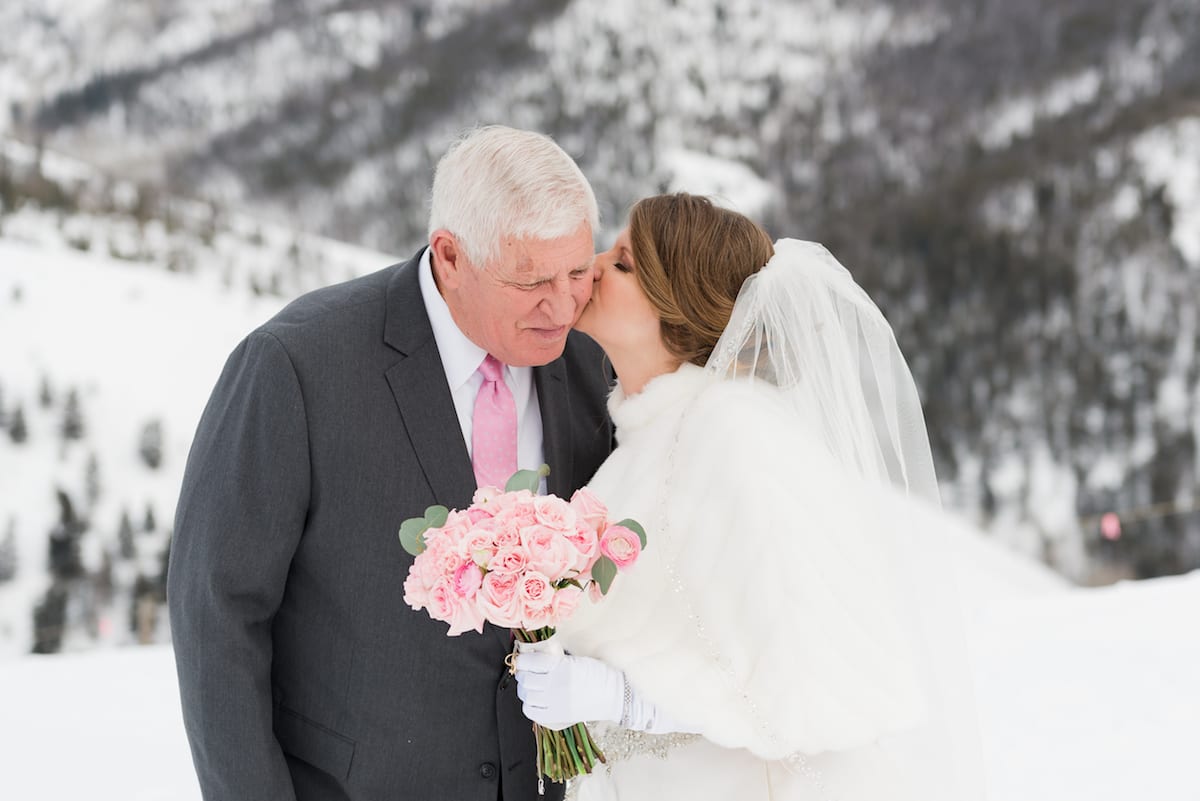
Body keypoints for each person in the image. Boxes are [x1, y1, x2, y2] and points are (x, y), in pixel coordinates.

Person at [168, 125, 614, 801]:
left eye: (578, 272)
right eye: (532, 281)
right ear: (451, 257)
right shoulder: (297, 367)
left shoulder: (591, 363)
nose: (563, 304)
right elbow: (217, 614)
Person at [513, 193, 987, 800]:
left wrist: (624, 698)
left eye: (625, 263)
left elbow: (810, 688)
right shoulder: (641, 444)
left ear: (677, 305)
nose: (594, 266)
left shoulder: (737, 432)